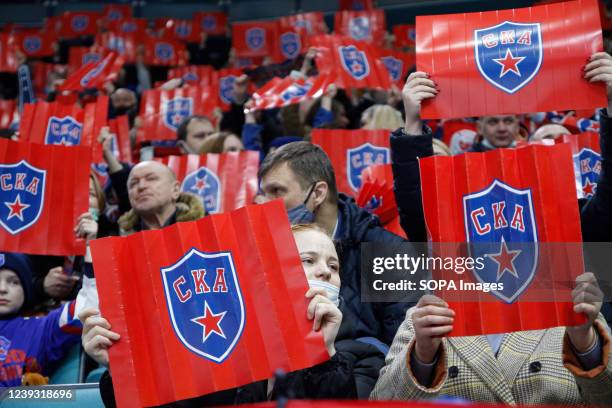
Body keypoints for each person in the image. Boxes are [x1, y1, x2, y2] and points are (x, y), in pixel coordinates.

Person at [80, 223, 385, 406]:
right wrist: (123, 370)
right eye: (307, 260)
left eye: (334, 266)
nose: (324, 271)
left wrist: (323, 354)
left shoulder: (363, 354)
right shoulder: (219, 344)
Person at [370, 273, 612, 404]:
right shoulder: (427, 317)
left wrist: (584, 345)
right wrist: (423, 356)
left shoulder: (572, 308)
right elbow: (381, 401)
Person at [259, 142, 410, 347]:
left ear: (318, 193)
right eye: (263, 193)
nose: (263, 204)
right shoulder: (264, 249)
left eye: (277, 191)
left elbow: (404, 352)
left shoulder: (392, 253)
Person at [118, 161, 204, 235]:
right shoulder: (116, 239)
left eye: (151, 179)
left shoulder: (207, 228)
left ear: (175, 190)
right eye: (133, 183)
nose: (141, 186)